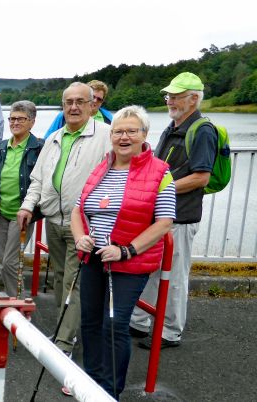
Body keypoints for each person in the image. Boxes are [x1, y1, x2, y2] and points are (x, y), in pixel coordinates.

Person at [71, 105, 175, 399]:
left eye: (132, 131)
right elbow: (80, 209)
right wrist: (80, 238)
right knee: (90, 320)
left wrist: (126, 250)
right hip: (93, 258)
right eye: (118, 131)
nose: (124, 137)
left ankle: (109, 391)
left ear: (144, 134)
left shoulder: (160, 172)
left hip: (130, 263)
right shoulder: (101, 167)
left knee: (115, 324)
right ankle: (90, 382)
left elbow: (165, 221)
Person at [17, 82, 111, 358]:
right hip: (53, 221)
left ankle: (64, 343)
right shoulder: (55, 137)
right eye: (68, 101)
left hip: (83, 224)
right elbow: (38, 179)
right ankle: (63, 328)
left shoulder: (105, 135)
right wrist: (27, 208)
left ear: (92, 104)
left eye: (80, 101)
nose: (73, 107)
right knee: (60, 279)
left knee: (73, 281)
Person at [130, 72, 218, 350]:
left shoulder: (202, 130)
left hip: (181, 215)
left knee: (175, 275)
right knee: (152, 268)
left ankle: (170, 331)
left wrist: (160, 190)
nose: (170, 100)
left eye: (177, 95)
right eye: (169, 95)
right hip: (163, 215)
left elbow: (201, 177)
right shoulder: (173, 125)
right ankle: (141, 321)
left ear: (194, 99)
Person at [0, 101, 43, 296]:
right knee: (4, 261)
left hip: (21, 213)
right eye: (12, 119)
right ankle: (12, 298)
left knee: (11, 262)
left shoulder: (39, 147)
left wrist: (32, 207)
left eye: (20, 119)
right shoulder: (2, 147)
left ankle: (15, 303)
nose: (14, 122)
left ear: (32, 122)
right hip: (1, 211)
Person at [44, 80, 114, 139]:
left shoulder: (109, 118)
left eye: (99, 99)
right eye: (93, 97)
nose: (95, 101)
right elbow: (48, 139)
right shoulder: (63, 116)